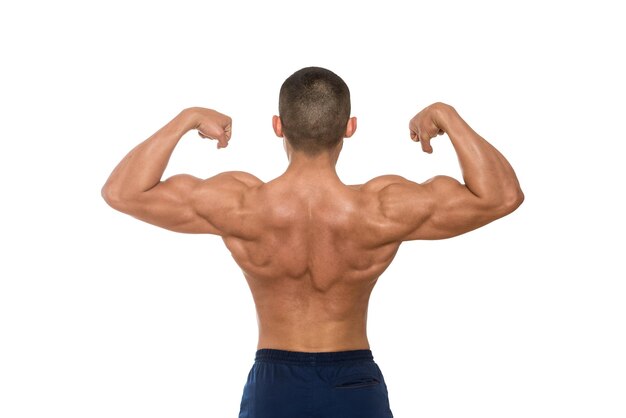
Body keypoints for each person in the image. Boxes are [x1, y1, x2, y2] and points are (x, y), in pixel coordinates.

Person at [101, 66, 524, 418]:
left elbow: (123, 192)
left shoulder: (242, 205)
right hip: (354, 382)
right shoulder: (382, 208)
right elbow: (502, 196)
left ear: (278, 126)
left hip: (274, 388)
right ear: (350, 127)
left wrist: (187, 118)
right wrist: (446, 115)